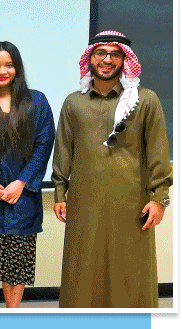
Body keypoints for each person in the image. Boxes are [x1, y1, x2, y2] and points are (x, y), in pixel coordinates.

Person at [52, 30, 172, 308]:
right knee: (82, 270)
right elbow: (63, 150)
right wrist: (60, 192)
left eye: (115, 54)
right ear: (90, 58)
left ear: (124, 59)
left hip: (133, 203)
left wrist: (159, 199)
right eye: (100, 53)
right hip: (85, 202)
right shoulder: (74, 102)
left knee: (132, 271)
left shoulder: (146, 100)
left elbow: (158, 151)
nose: (107, 60)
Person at [0, 41, 55, 308]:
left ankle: (11, 316)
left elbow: (44, 144)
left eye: (8, 65)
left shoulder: (36, 101)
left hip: (23, 198)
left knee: (16, 267)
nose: (2, 71)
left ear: (17, 68)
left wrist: (23, 181)